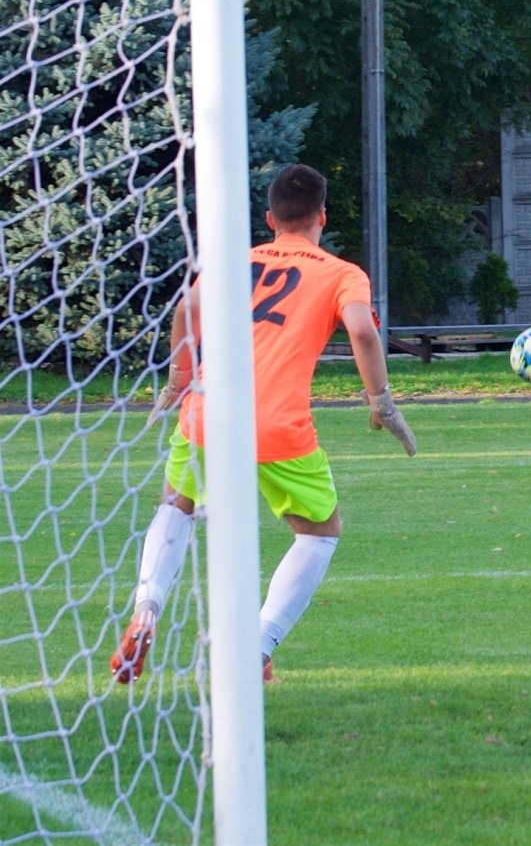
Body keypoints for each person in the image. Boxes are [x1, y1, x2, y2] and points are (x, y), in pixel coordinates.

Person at [112, 164, 416, 685]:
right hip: (279, 425)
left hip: (208, 410)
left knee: (177, 505)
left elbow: (186, 308)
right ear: (322, 216)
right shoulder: (342, 272)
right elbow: (363, 330)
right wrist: (382, 403)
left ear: (270, 218)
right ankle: (255, 648)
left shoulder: (236, 261)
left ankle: (147, 608)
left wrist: (180, 379)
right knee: (319, 533)